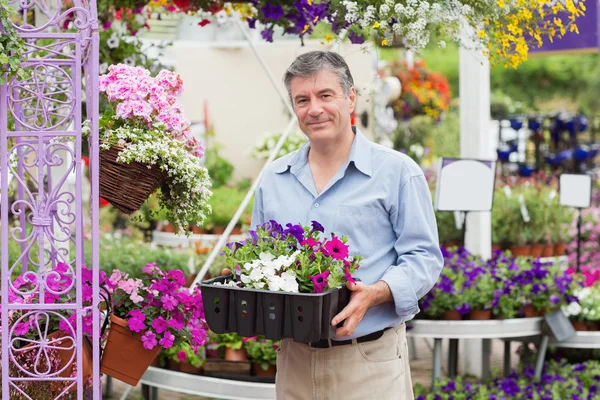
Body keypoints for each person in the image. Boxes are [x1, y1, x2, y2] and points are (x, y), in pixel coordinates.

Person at [231, 51, 443, 399]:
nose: (314, 109)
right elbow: (260, 260)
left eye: (325, 95)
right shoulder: (274, 178)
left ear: (350, 97)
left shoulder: (397, 172)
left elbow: (424, 257)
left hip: (369, 359)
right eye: (302, 100)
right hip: (295, 360)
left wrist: (376, 293)